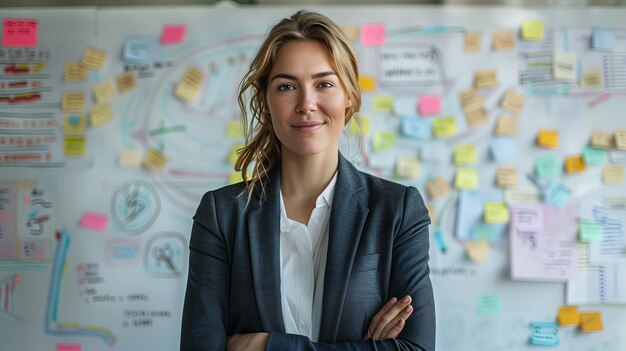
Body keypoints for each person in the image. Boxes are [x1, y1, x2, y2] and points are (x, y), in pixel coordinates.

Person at [181, 10, 435, 351]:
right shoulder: (222, 215)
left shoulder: (398, 210)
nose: (306, 104)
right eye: (286, 86)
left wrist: (269, 346)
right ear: (266, 102)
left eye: (324, 84)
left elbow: (416, 349)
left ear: (349, 98)